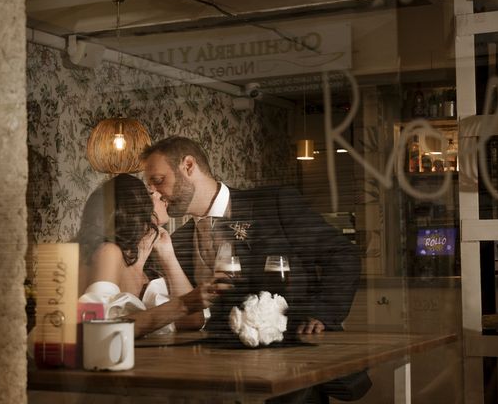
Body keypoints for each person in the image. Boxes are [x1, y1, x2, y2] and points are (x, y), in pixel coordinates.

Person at [141, 136, 371, 403]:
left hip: (295, 376)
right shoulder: (178, 242)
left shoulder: (273, 204)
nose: (156, 193)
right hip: (222, 381)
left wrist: (321, 312)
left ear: (189, 166)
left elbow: (342, 254)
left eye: (158, 180)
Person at [76, 173, 227, 338]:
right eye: (149, 193)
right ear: (132, 206)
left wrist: (168, 257)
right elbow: (94, 329)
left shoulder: (150, 267)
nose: (160, 195)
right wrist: (183, 304)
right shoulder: (109, 252)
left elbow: (193, 321)